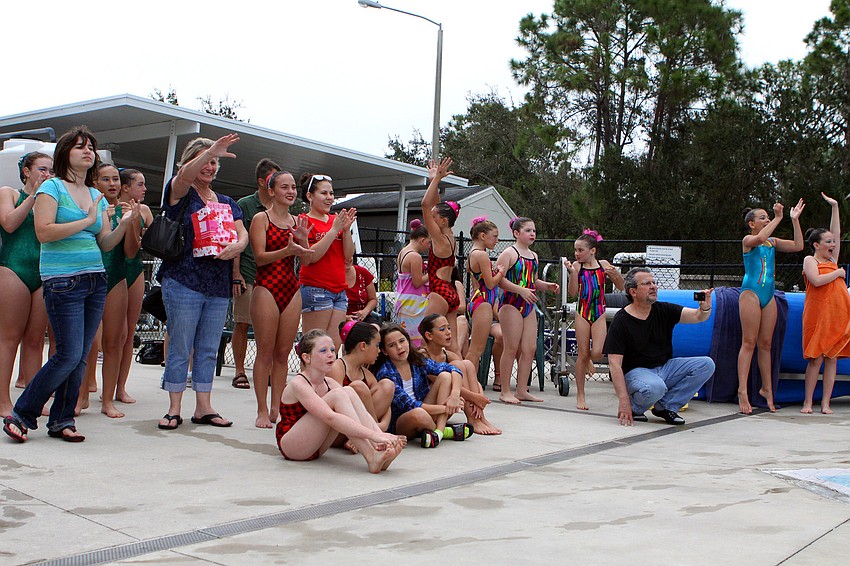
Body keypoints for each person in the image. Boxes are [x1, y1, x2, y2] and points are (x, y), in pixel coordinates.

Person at [3, 126, 139, 443]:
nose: (88, 150)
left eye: (90, 146)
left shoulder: (95, 194)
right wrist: (86, 219)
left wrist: (125, 224)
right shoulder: (52, 188)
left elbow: (105, 243)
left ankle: (62, 420)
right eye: (80, 146)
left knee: (78, 356)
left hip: (95, 278)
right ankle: (22, 414)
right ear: (66, 153)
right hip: (62, 280)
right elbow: (44, 232)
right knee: (67, 354)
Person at [155, 134, 248, 431]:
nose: (210, 165)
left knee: (208, 346)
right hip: (184, 278)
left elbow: (241, 232)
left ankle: (204, 407)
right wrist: (210, 149)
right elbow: (184, 176)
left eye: (214, 161)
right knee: (181, 344)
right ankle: (173, 408)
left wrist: (238, 246)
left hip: (217, 282)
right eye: (205, 159)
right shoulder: (179, 190)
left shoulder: (227, 201)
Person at [276, 329, 405, 473]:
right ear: (306, 358)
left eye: (332, 349)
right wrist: (374, 434)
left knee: (348, 391)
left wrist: (379, 436)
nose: (331, 354)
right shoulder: (299, 383)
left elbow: (359, 411)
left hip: (317, 447)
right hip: (293, 447)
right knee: (337, 394)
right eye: (323, 351)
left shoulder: (329, 382)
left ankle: (377, 450)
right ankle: (371, 456)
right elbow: (329, 417)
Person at [603, 267, 715, 426]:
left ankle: (666, 406)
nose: (654, 286)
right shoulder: (622, 320)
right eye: (647, 283)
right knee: (655, 387)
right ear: (633, 291)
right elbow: (614, 364)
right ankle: (635, 408)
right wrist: (623, 400)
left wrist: (704, 307)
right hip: (636, 374)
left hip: (664, 368)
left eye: (654, 282)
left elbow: (698, 316)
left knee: (706, 364)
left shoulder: (664, 309)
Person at [250, 170, 313, 428]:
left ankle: (277, 406)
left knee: (283, 352)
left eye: (292, 188)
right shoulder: (260, 219)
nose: (290, 192)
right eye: (284, 187)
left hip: (291, 287)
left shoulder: (297, 221)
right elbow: (260, 258)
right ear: (271, 190)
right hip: (266, 286)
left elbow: (307, 260)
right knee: (264, 352)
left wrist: (303, 239)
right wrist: (286, 250)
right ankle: (262, 409)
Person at [737, 200, 805, 414]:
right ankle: (742, 392)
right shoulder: (749, 240)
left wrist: (794, 220)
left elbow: (798, 246)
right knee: (749, 343)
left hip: (768, 295)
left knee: (765, 344)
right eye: (763, 218)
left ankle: (767, 389)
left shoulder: (772, 242)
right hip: (751, 293)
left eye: (768, 217)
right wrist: (777, 218)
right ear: (751, 223)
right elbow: (759, 238)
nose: (767, 219)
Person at [0, 152, 53, 417]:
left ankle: (32, 399)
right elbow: (9, 224)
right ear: (27, 172)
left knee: (34, 341)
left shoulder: (49, 202)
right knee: (9, 338)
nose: (47, 175)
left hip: (41, 273)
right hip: (13, 268)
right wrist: (33, 196)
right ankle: (2, 400)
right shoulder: (9, 193)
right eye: (42, 169)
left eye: (50, 171)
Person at [84, 163, 135, 419]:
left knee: (114, 341)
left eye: (115, 179)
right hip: (90, 276)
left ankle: (107, 400)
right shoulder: (91, 208)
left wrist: (130, 223)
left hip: (116, 277)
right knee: (87, 342)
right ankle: (81, 395)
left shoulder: (127, 211)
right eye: (105, 179)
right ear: (95, 183)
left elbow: (130, 252)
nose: (112, 184)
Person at [495, 217, 559, 404]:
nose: (532, 234)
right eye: (528, 230)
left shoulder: (534, 256)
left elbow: (533, 281)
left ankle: (521, 389)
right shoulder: (509, 253)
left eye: (534, 231)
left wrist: (547, 286)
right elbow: (499, 280)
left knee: (529, 348)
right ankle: (505, 390)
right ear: (516, 233)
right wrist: (520, 290)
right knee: (511, 347)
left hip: (528, 304)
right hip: (511, 303)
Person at [374, 324, 469, 448]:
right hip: (403, 421)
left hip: (427, 410)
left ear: (408, 340)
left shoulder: (417, 360)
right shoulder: (386, 372)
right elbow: (411, 405)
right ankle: (445, 431)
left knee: (445, 376)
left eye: (402, 341)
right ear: (385, 351)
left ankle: (438, 432)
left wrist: (455, 396)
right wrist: (448, 408)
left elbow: (453, 369)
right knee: (419, 413)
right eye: (392, 345)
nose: (399, 347)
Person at [232, 158, 281, 390]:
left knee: (268, 326)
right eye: (273, 179)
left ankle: (267, 369)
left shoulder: (280, 208)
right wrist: (236, 273)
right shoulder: (245, 205)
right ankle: (239, 370)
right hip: (249, 270)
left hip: (273, 275)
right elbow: (237, 240)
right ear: (262, 182)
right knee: (242, 322)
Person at [801, 193, 850, 414]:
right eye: (828, 242)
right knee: (815, 360)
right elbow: (816, 280)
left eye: (833, 242)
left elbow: (837, 233)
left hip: (836, 316)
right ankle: (808, 401)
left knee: (832, 359)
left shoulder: (832, 259)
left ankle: (826, 402)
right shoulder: (811, 260)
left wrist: (835, 207)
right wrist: (838, 273)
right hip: (817, 315)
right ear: (816, 245)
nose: (832, 244)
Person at [565, 229, 624, 410]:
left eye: (580, 250)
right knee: (582, 354)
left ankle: (588, 358)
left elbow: (621, 286)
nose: (577, 253)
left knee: (598, 352)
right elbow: (572, 293)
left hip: (599, 312)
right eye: (575, 250)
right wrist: (573, 274)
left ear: (593, 250)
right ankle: (580, 395)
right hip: (582, 311)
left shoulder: (603, 264)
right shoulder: (577, 266)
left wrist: (614, 275)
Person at [298, 173, 357, 350]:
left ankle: (326, 379)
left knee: (333, 347)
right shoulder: (304, 220)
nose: (329, 198)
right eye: (324, 193)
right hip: (316, 287)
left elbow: (348, 255)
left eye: (331, 193)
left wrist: (345, 231)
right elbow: (310, 257)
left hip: (339, 289)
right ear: (310, 196)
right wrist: (334, 231)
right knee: (314, 347)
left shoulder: (335, 220)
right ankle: (307, 378)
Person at [420, 313, 500, 435]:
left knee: (466, 364)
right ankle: (472, 419)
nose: (448, 332)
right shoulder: (422, 356)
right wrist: (475, 397)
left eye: (449, 328)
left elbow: (469, 379)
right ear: (429, 335)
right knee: (456, 367)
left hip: (447, 405)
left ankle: (480, 417)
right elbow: (446, 383)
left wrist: (479, 400)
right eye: (442, 329)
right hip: (429, 408)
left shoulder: (448, 355)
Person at [116, 168, 153, 404]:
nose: (145, 189)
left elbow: (156, 237)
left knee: (129, 332)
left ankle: (121, 387)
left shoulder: (145, 210)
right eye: (140, 184)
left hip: (134, 268)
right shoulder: (110, 207)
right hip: (111, 269)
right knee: (108, 334)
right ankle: (90, 381)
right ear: (125, 187)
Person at [421, 157, 462, 353]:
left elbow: (424, 204)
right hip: (450, 293)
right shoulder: (449, 237)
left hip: (439, 292)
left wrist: (437, 179)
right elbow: (434, 205)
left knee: (426, 338)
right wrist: (433, 180)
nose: (431, 216)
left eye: (434, 216)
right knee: (451, 345)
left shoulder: (439, 239)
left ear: (443, 221)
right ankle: (462, 375)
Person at [327, 320, 394, 432]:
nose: (379, 351)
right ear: (363, 346)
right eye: (377, 345)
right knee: (359, 387)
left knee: (387, 385)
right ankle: (371, 433)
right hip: (338, 428)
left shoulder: (366, 374)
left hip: (363, 425)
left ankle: (371, 431)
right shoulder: (337, 368)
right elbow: (336, 407)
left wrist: (383, 424)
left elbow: (386, 404)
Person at [464, 216, 505, 378]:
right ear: (482, 236)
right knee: (476, 350)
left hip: (477, 300)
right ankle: (468, 383)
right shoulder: (482, 255)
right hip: (483, 303)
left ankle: (468, 382)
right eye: (494, 236)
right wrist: (500, 273)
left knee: (475, 349)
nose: (497, 240)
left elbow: (478, 280)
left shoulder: (471, 254)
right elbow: (490, 284)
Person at [394, 219, 430, 348]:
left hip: (403, 298)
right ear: (422, 240)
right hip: (412, 304)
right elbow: (417, 282)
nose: (428, 246)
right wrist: (432, 272)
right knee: (415, 341)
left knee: (405, 337)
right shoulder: (415, 256)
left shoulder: (403, 252)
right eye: (428, 242)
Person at [344, 257, 379, 326]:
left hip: (362, 317)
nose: (349, 259)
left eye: (350, 255)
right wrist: (344, 317)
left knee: (375, 328)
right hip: (340, 318)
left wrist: (365, 312)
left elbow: (373, 299)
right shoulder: (329, 276)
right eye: (344, 256)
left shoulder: (362, 273)